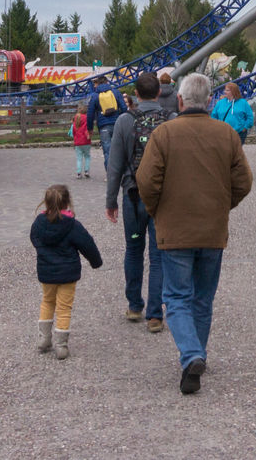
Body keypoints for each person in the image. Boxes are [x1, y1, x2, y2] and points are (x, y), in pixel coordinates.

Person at [137, 73, 252, 395]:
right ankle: (197, 354)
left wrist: (158, 210)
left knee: (176, 297)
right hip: (212, 229)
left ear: (180, 100)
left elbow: (146, 181)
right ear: (210, 101)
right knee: (203, 298)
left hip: (175, 230)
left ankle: (191, 355)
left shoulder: (164, 134)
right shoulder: (227, 134)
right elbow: (243, 182)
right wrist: (222, 206)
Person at [105, 72, 170, 330]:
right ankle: (155, 314)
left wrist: (111, 200)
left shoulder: (124, 121)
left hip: (132, 195)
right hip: (162, 198)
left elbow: (115, 165)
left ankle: (134, 306)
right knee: (158, 255)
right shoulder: (170, 120)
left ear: (135, 93)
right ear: (158, 93)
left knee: (133, 250)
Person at [29, 183, 102, 360]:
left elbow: (34, 239)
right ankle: (61, 345)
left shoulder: (38, 223)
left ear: (46, 203)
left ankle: (44, 338)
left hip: (46, 272)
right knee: (64, 308)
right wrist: (96, 261)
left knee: (47, 302)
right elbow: (87, 244)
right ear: (67, 202)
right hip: (68, 273)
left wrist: (44, 253)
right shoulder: (72, 225)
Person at [83, 82, 129, 162]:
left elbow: (90, 113)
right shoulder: (116, 92)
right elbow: (124, 108)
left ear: (98, 84)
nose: (94, 86)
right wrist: (120, 118)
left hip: (103, 126)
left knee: (107, 152)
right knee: (120, 150)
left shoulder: (95, 96)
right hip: (117, 124)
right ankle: (120, 169)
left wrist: (90, 129)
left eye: (95, 84)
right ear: (107, 83)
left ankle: (109, 169)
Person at [71, 107, 93, 178]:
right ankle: (86, 171)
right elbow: (89, 128)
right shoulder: (87, 118)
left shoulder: (76, 119)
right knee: (87, 157)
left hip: (78, 142)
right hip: (86, 141)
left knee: (79, 158)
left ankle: (79, 173)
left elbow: (73, 132)